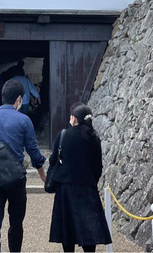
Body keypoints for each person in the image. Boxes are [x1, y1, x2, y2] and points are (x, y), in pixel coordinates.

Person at [0, 79, 47, 252]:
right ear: (18, 99)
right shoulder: (24, 121)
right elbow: (34, 154)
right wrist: (43, 176)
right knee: (16, 222)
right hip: (15, 178)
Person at [49, 103, 112, 252]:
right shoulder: (94, 139)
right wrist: (91, 181)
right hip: (87, 188)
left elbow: (53, 160)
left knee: (67, 229)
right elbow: (98, 167)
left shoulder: (64, 135)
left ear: (74, 119)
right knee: (89, 229)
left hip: (66, 188)